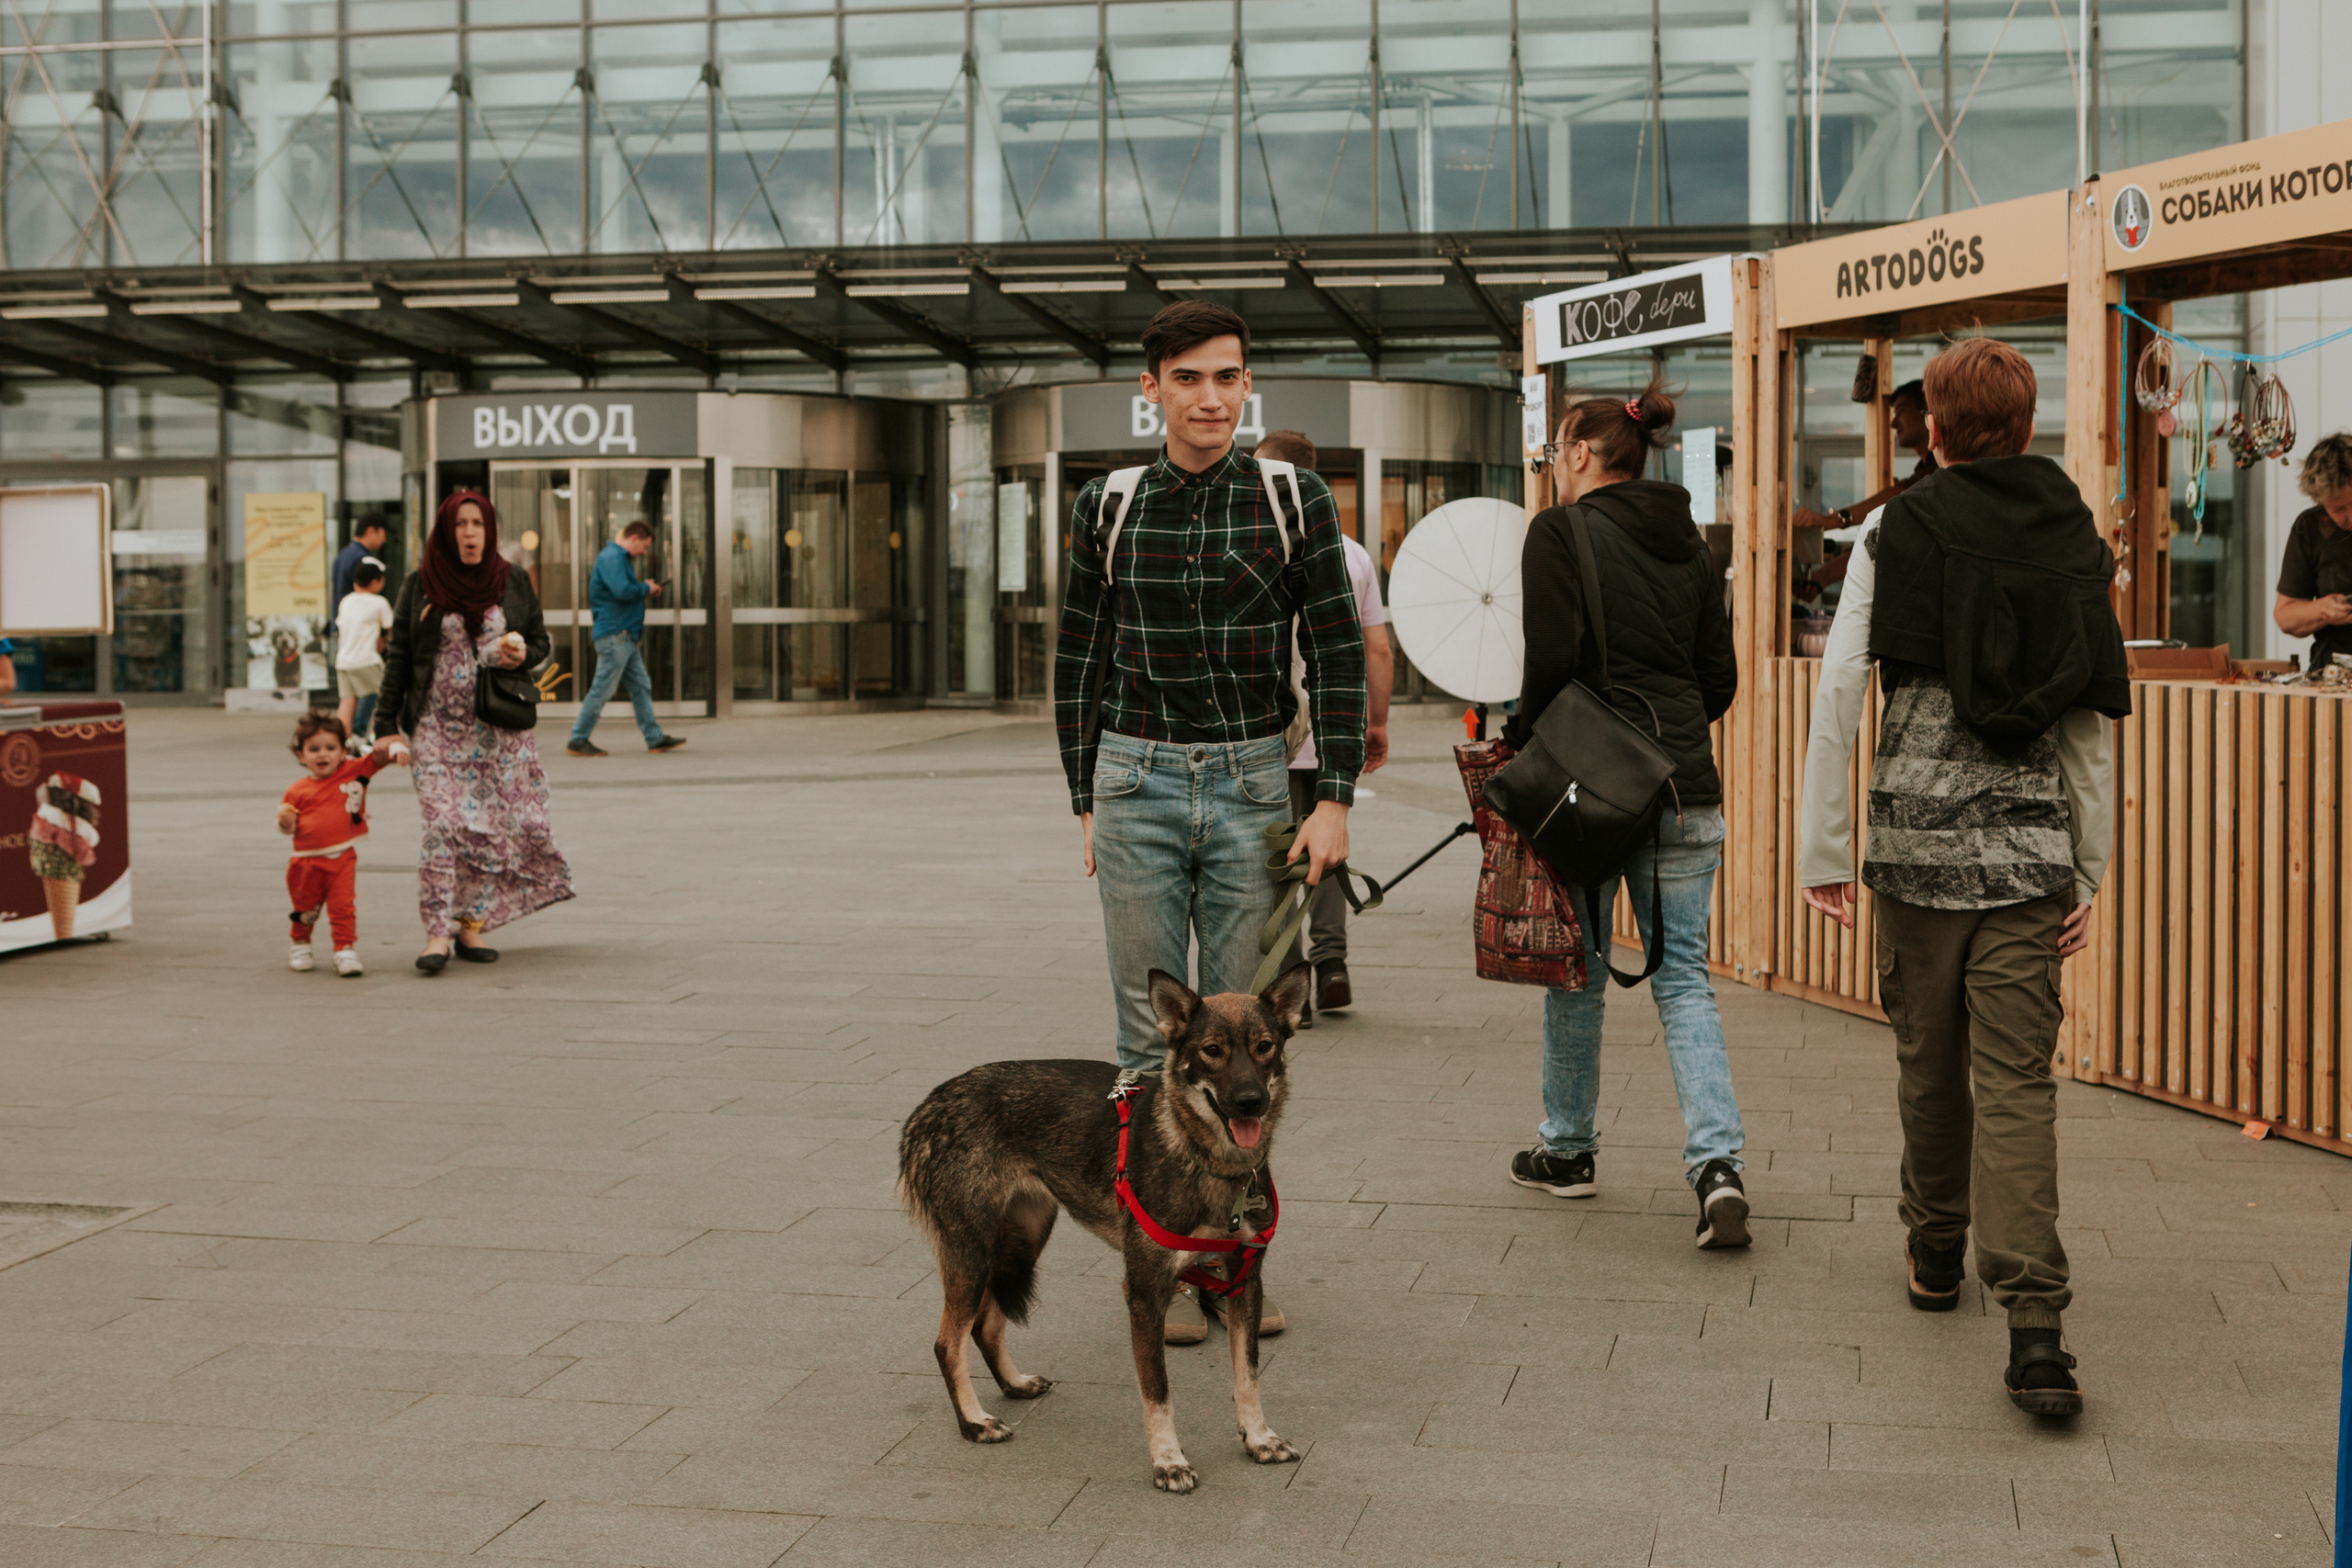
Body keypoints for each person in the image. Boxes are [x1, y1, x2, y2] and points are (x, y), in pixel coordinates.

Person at [1797, 335, 2130, 1419]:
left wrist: (1823, 847)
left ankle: (1935, 1249)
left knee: (1926, 1064)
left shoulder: (1899, 528)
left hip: (1911, 850)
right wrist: (2090, 863)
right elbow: (2085, 712)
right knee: (2018, 1084)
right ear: (2026, 429)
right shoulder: (2070, 533)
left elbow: (1841, 684)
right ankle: (2036, 1325)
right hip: (2030, 857)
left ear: (1931, 430)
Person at [1055, 300, 1367, 1346]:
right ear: (1150, 388)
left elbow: (1331, 649)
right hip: (1137, 778)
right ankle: (1165, 1263)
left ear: (1247, 384)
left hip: (1249, 788)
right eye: (1186, 378)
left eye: (1226, 377)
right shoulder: (1107, 503)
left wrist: (1333, 800)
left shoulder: (1292, 499)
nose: (1209, 397)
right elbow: (1078, 660)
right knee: (1148, 1053)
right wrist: (1086, 799)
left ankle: (1236, 1265)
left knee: (1246, 1054)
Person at [1501, 380, 1748, 1250]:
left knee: (1581, 970)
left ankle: (1568, 1151)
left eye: (1552, 455)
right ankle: (1718, 1167)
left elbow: (1551, 664)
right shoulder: (1692, 542)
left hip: (1593, 792)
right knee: (1684, 979)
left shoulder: (1558, 532)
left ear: (1576, 453)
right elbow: (1717, 679)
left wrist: (1526, 747)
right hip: (1685, 787)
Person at [373, 491, 576, 974]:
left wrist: (522, 653)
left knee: (487, 831)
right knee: (442, 827)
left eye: (478, 524)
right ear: (447, 531)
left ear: (490, 530)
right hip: (435, 731)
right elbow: (399, 656)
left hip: (498, 733)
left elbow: (541, 641)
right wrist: (384, 727)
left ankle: (471, 925)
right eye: (461, 525)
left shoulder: (513, 580)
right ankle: (436, 934)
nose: (469, 533)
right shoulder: (419, 584)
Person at [1254, 429, 1390, 1026]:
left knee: (1280, 851)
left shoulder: (1254, 541)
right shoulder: (1352, 552)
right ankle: (1332, 966)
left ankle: (1290, 984)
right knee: (1327, 847)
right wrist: (1376, 721)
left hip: (1271, 729)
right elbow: (1375, 649)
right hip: (1334, 728)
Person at [278, 709, 404, 977]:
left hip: (342, 857)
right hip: (306, 861)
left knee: (343, 906)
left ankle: (344, 949)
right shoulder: (297, 789)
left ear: (343, 751)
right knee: (305, 908)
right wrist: (286, 822)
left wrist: (396, 749)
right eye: (314, 749)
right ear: (301, 755)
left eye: (330, 748)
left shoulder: (353, 771)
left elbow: (378, 758)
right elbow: (286, 824)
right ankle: (300, 942)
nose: (323, 754)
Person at [1792, 379, 1936, 596]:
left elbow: (1900, 495)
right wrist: (1820, 578)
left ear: (1928, 414)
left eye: (1901, 411)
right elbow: (1875, 540)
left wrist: (1831, 521)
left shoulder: (1939, 473)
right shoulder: (1923, 471)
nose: (1893, 422)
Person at [568, 521, 684, 758]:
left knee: (641, 686)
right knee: (602, 689)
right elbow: (622, 591)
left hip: (624, 636)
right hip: (615, 635)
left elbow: (624, 590)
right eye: (644, 546)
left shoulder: (618, 558)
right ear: (634, 538)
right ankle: (578, 738)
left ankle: (654, 738)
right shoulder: (612, 557)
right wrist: (646, 588)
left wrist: (644, 588)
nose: (644, 552)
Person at [2273, 432, 2352, 672]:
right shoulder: (2310, 528)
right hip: (2336, 671)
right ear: (2319, 500)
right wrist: (2324, 610)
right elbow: (2285, 616)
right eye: (2338, 509)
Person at [334, 558, 393, 749]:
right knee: (383, 699)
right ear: (376, 582)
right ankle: (369, 737)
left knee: (347, 701)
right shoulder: (379, 602)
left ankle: (343, 742)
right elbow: (390, 630)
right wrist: (383, 644)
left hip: (343, 661)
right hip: (367, 660)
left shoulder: (346, 601)